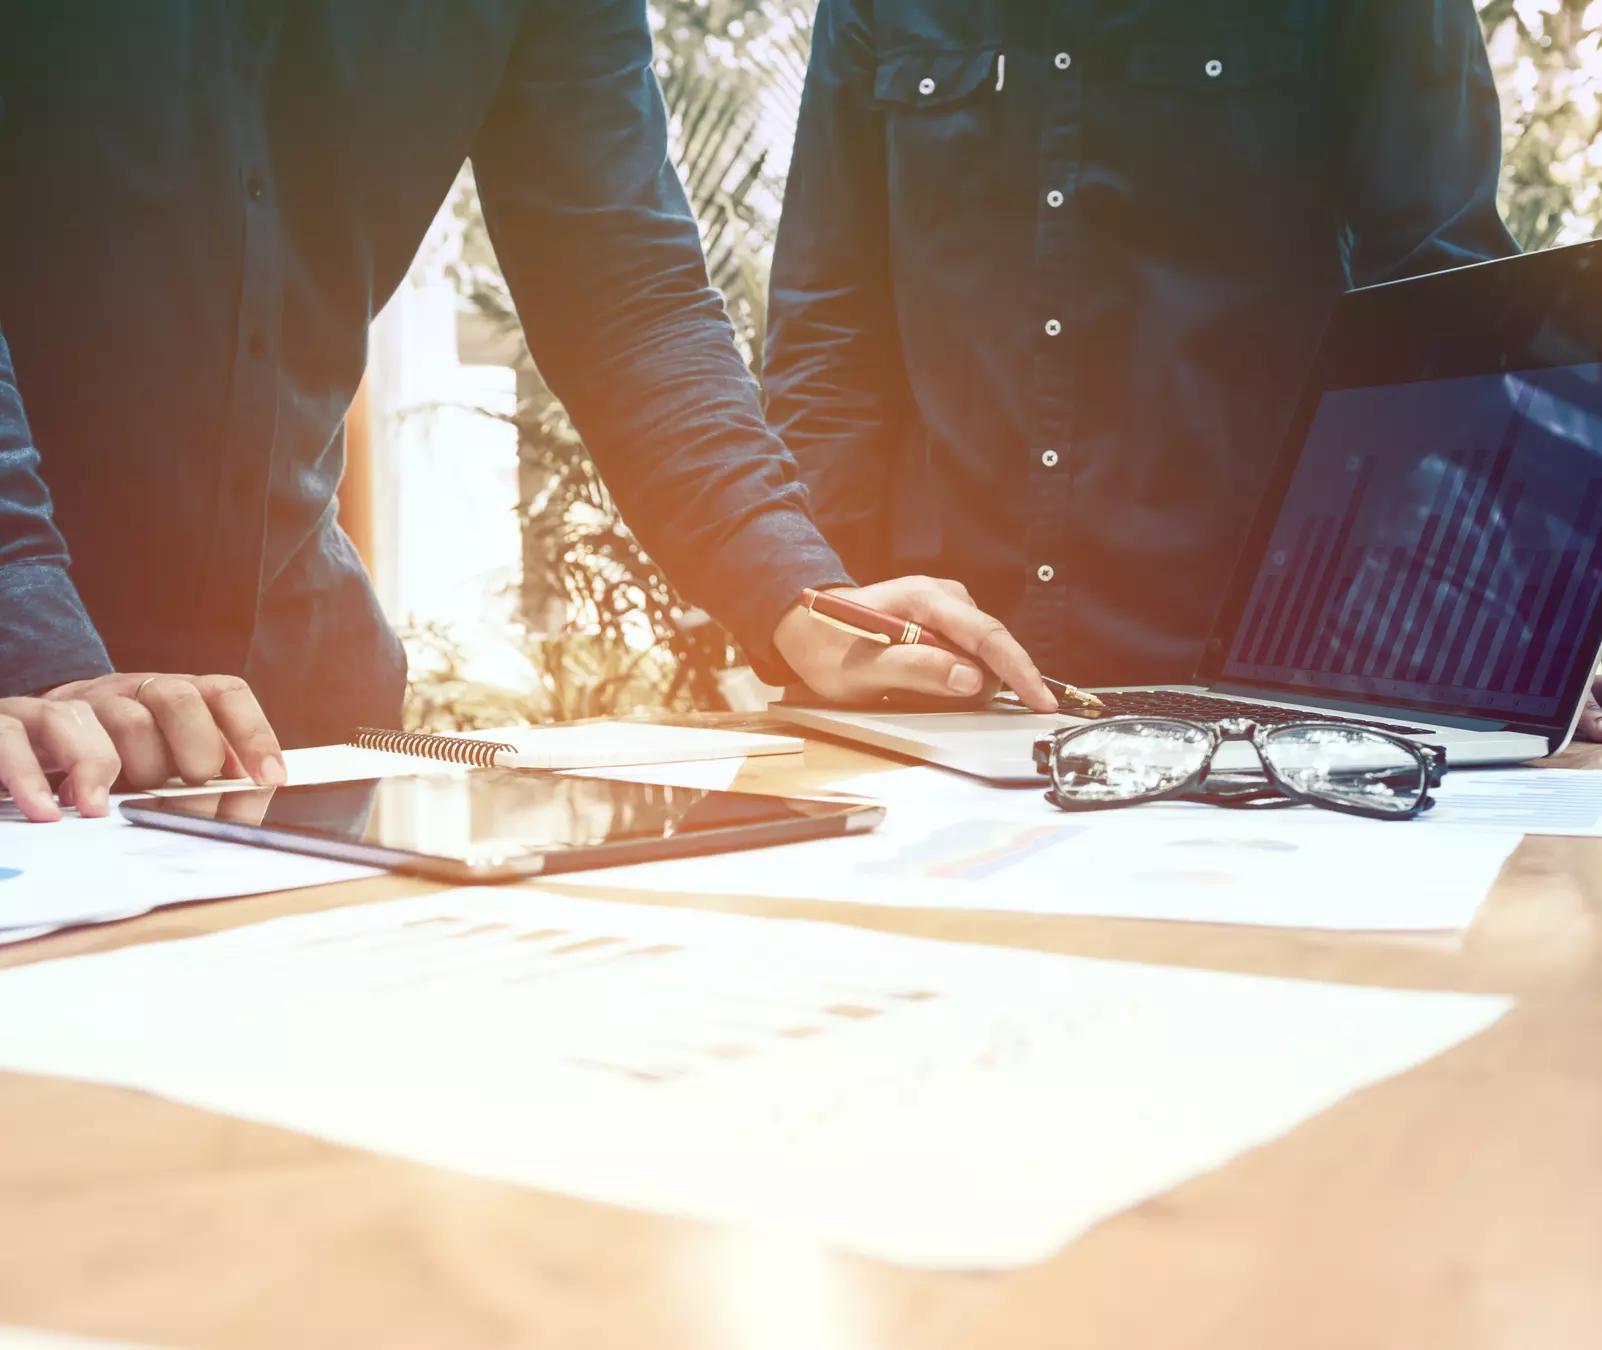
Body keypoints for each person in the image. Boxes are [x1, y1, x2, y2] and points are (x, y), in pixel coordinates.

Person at [0, 1, 1059, 816]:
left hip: (297, 722)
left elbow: (624, 292)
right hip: (29, 721)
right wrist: (36, 649)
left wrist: (798, 593)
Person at [764, 0, 1602, 736]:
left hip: (1247, 689)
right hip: (946, 683)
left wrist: (1521, 648)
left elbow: (1443, 300)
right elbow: (828, 331)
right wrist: (833, 616)